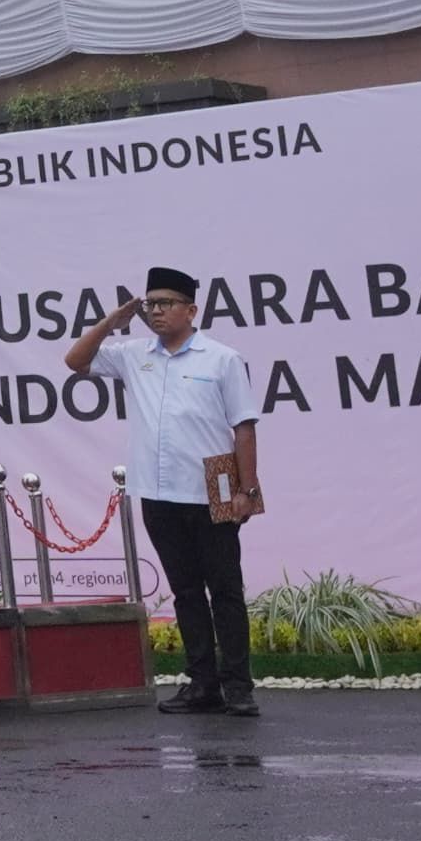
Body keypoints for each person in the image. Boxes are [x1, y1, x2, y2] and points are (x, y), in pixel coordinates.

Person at [68, 266, 265, 715]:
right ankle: (203, 685)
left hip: (213, 489)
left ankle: (238, 687)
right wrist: (112, 320)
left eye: (166, 304)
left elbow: (245, 428)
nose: (155, 312)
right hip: (156, 492)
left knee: (226, 591)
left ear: (191, 310)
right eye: (149, 304)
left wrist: (246, 489)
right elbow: (75, 362)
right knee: (186, 591)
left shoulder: (221, 358)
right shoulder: (134, 354)